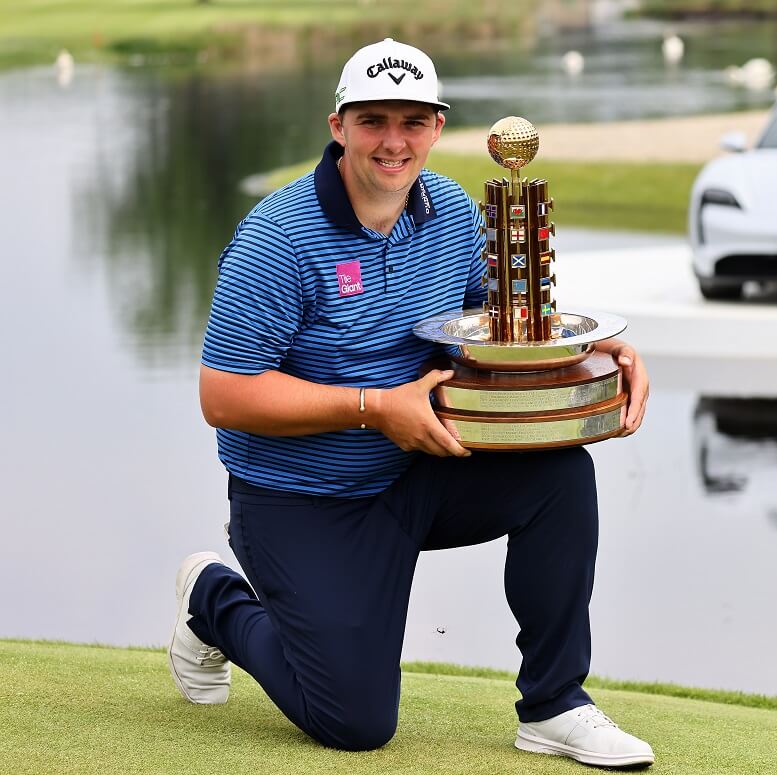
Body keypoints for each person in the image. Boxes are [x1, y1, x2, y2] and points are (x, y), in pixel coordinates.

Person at [168, 38, 653, 768]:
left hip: (410, 474)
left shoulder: (453, 212)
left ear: (437, 126)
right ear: (338, 126)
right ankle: (214, 599)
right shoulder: (278, 236)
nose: (393, 141)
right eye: (373, 121)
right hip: (299, 499)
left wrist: (587, 356)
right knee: (354, 720)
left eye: (413, 121)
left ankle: (555, 704)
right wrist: (374, 408)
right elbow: (224, 393)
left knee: (558, 475)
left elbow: (492, 331)